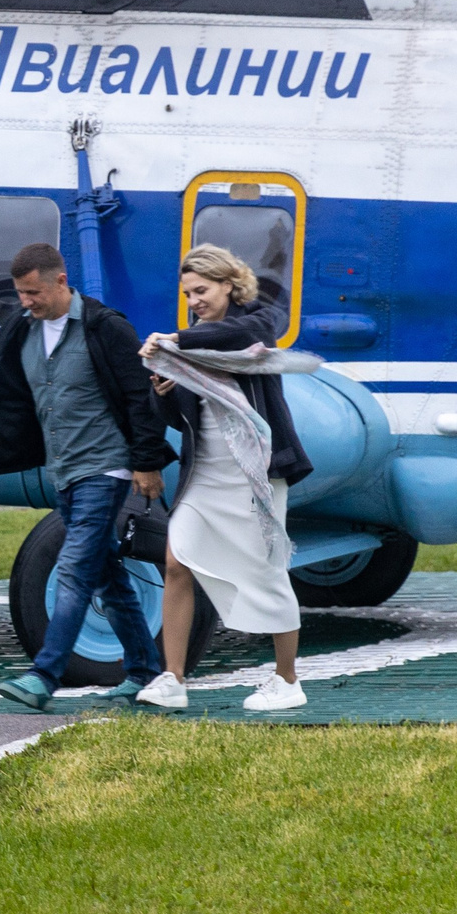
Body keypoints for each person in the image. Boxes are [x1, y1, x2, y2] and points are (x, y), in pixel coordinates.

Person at [0, 242, 174, 712]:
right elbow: (5, 397)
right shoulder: (20, 328)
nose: (25, 302)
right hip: (64, 470)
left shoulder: (105, 327)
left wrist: (146, 461)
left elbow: (141, 397)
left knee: (75, 568)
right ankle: (143, 671)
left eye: (33, 292)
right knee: (106, 574)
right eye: (19, 293)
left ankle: (44, 674)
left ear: (60, 281)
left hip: (106, 467)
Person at [135, 245, 317, 713]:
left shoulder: (256, 324)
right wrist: (165, 390)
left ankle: (288, 680)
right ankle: (173, 678)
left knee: (267, 571)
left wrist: (176, 341)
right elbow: (181, 420)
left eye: (202, 290)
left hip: (254, 473)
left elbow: (243, 334)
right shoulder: (192, 342)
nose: (194, 301)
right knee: (176, 562)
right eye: (188, 294)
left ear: (229, 285)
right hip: (206, 472)